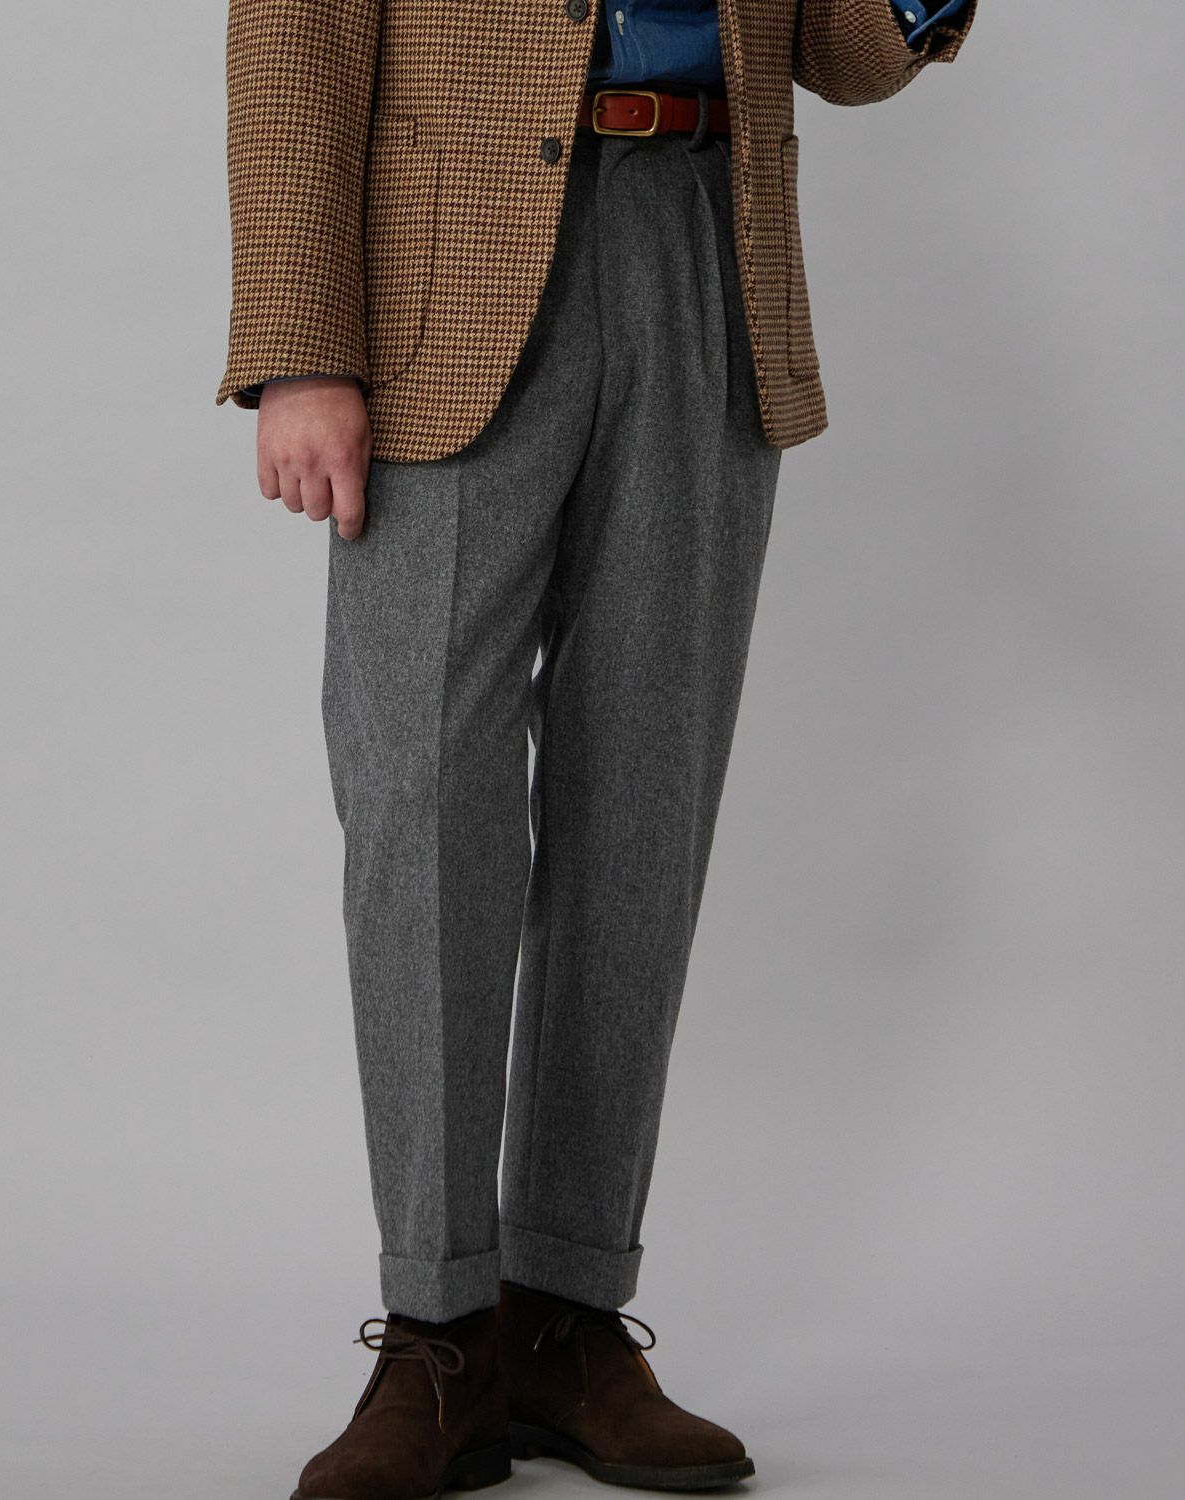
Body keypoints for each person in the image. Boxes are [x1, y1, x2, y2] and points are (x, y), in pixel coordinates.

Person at [216, 2, 979, 1496]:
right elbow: (291, 49)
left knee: (645, 795)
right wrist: (301, 352)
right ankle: (437, 1332)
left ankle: (565, 1317)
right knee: (423, 802)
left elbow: (843, 53)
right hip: (444, 269)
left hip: (704, 244)